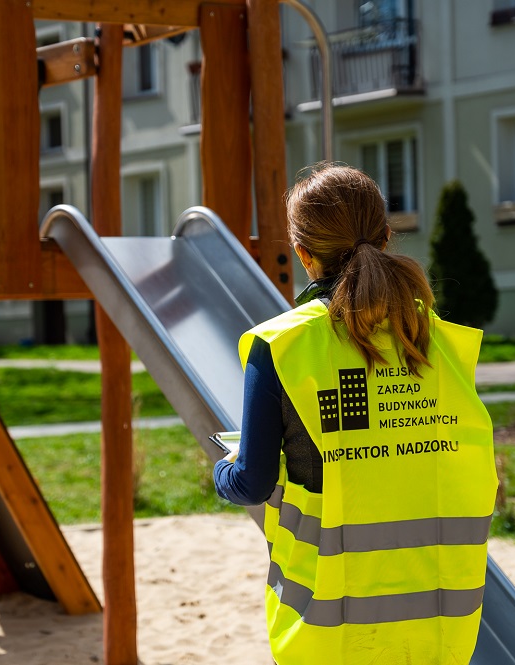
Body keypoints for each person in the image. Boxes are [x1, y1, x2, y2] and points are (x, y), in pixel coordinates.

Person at [213, 164, 498, 664]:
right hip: (437, 627)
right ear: (387, 237)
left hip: (330, 625)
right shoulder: (439, 341)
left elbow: (252, 482)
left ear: (302, 254)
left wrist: (223, 472)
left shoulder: (283, 345)